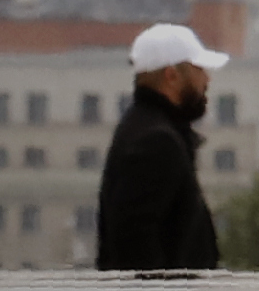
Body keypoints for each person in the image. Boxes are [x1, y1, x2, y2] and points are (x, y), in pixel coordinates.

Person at [95, 20, 235, 272]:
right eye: (198, 69)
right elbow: (135, 247)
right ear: (171, 76)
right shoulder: (156, 142)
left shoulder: (147, 129)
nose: (207, 79)